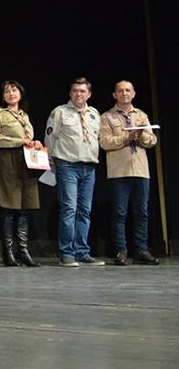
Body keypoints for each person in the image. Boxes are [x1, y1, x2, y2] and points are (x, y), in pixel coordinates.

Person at [99, 80, 160, 266]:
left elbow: (152, 140)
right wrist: (127, 137)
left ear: (133, 94)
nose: (124, 93)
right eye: (120, 90)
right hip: (119, 171)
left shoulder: (141, 115)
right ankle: (121, 250)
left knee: (141, 212)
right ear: (114, 95)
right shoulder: (107, 117)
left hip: (141, 170)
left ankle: (141, 250)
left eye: (128, 90)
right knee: (120, 213)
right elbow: (105, 142)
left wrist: (142, 136)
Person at [45, 78, 103, 267]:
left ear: (89, 94)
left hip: (89, 167)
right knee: (70, 208)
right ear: (70, 93)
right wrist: (53, 164)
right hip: (68, 166)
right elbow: (50, 139)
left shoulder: (94, 114)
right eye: (75, 91)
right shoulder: (60, 112)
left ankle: (82, 251)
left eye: (82, 91)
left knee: (85, 210)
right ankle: (66, 253)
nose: (79, 94)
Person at [0, 80, 42, 268]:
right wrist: (19, 141)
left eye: (15, 90)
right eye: (7, 91)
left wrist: (35, 143)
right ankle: (8, 252)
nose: (11, 94)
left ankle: (23, 251)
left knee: (24, 207)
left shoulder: (24, 115)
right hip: (7, 161)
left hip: (26, 161)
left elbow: (29, 137)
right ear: (2, 96)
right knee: (9, 206)